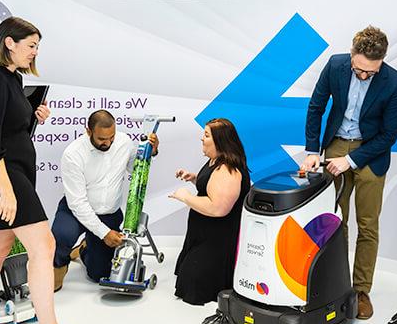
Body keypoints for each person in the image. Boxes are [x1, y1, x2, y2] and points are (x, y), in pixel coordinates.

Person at [0, 16, 98, 324]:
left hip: (10, 172)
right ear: (9, 42)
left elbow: (8, 129)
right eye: (31, 45)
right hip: (2, 175)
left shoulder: (10, 79)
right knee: (44, 244)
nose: (35, 53)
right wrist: (5, 191)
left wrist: (30, 115)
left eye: (37, 47)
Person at [301, 26, 397, 320]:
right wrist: (312, 151)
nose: (363, 76)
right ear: (352, 55)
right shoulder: (335, 65)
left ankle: (361, 291)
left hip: (371, 152)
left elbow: (389, 136)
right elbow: (316, 107)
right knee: (335, 220)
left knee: (367, 224)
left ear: (381, 63)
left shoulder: (395, 83)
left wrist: (351, 160)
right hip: (335, 143)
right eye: (359, 69)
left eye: (370, 73)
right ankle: (336, 283)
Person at [51, 110, 159, 289]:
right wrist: (103, 233)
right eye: (102, 139)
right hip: (76, 211)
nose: (107, 142)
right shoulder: (73, 154)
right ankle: (59, 265)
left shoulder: (124, 142)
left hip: (109, 213)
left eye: (111, 137)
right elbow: (77, 203)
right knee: (62, 236)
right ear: (88, 131)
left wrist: (151, 152)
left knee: (99, 274)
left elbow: (135, 169)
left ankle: (84, 249)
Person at [169, 118, 250, 305]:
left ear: (220, 141)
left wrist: (185, 197)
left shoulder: (229, 169)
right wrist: (194, 178)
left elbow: (219, 208)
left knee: (193, 284)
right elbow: (212, 187)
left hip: (217, 241)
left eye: (206, 135)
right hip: (202, 235)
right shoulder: (215, 161)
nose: (201, 139)